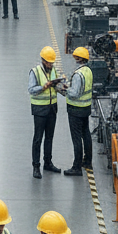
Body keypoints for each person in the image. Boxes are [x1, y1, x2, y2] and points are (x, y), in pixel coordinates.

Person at [29, 46, 63, 179]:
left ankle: (48, 163)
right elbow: (31, 89)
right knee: (38, 138)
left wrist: (60, 87)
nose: (51, 65)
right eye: (49, 63)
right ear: (43, 61)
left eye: (52, 63)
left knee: (49, 137)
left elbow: (56, 87)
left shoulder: (53, 70)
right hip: (39, 110)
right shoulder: (35, 72)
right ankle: (36, 166)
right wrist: (44, 87)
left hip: (52, 108)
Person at [58, 46, 93, 176]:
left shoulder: (78, 74)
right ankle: (87, 161)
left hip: (76, 110)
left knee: (76, 138)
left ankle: (76, 167)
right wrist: (70, 86)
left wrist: (65, 89)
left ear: (78, 58)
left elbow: (75, 93)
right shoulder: (88, 71)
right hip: (86, 108)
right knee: (86, 134)